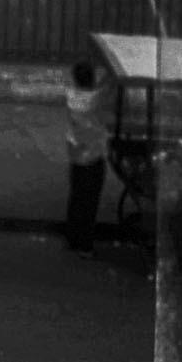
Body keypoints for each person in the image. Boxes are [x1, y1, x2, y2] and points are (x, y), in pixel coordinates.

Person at [63, 58, 114, 254]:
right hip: (93, 156)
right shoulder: (96, 100)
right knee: (90, 202)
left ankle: (73, 239)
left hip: (76, 155)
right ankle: (84, 244)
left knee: (76, 198)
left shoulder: (71, 97)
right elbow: (109, 85)